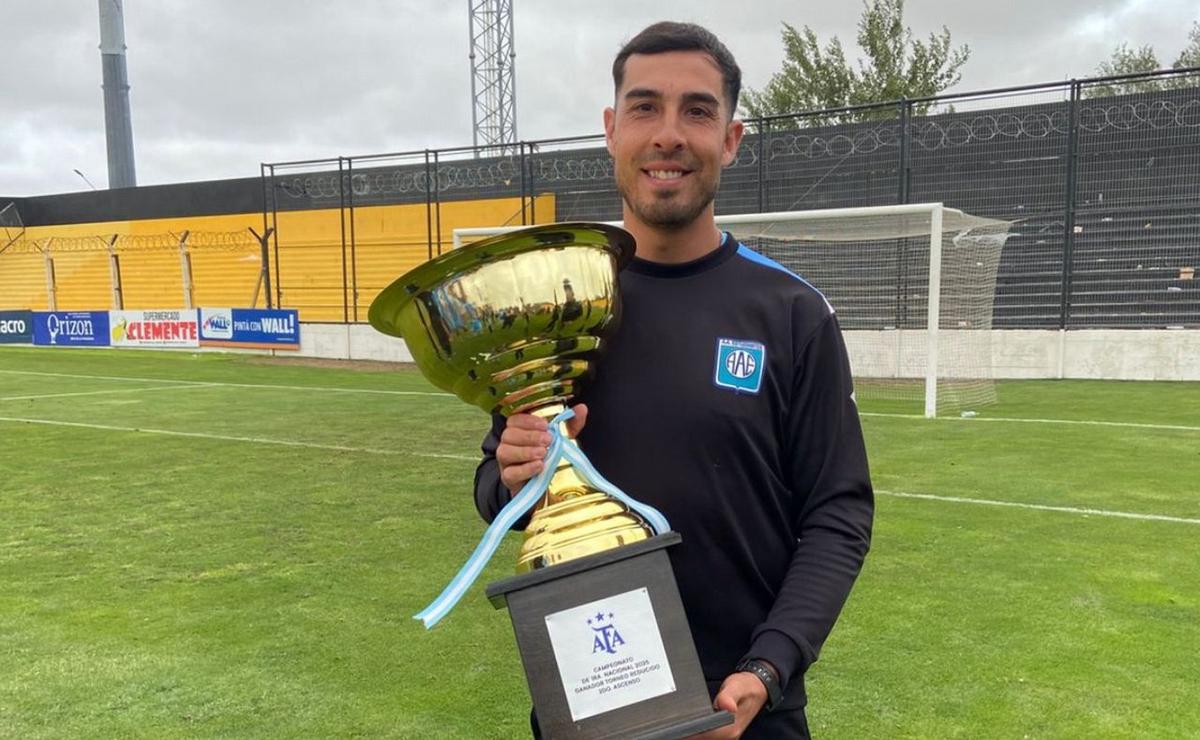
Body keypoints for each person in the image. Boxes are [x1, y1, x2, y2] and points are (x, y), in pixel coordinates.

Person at [473, 21, 874, 739]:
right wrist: (510, 470)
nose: (669, 134)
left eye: (697, 110)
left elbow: (838, 514)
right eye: (645, 107)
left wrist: (768, 669)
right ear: (611, 129)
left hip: (747, 709)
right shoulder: (555, 309)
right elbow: (491, 489)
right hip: (589, 703)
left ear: (730, 139)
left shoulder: (792, 313)